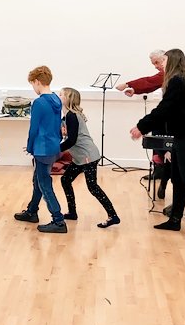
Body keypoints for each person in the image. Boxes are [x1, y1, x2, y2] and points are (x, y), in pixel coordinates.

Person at [129, 48, 185, 239]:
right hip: (183, 135)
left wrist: (141, 126)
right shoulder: (180, 79)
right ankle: (175, 220)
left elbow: (165, 108)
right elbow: (170, 111)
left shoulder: (178, 81)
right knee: (178, 178)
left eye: (165, 60)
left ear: (174, 61)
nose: (162, 64)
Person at [14, 65, 66, 234]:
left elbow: (33, 129)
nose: (33, 88)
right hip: (53, 146)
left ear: (37, 81)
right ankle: (32, 211)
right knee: (38, 180)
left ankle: (58, 220)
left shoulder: (39, 103)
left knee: (44, 184)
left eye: (32, 84)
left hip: (42, 148)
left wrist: (30, 147)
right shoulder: (57, 100)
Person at [59, 87, 119, 228]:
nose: (58, 96)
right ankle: (72, 212)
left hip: (88, 156)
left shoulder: (72, 116)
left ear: (68, 99)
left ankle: (113, 216)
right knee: (65, 179)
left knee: (92, 187)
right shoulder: (66, 116)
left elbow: (71, 141)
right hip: (80, 157)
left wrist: (55, 150)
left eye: (61, 94)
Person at [117, 49, 171, 197]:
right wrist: (134, 89)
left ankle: (163, 175)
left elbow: (150, 81)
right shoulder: (167, 74)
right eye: (153, 63)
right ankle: (159, 169)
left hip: (174, 119)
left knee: (164, 144)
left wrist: (128, 83)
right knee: (158, 138)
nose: (155, 66)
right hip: (167, 115)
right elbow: (151, 83)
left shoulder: (171, 74)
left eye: (157, 62)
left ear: (166, 59)